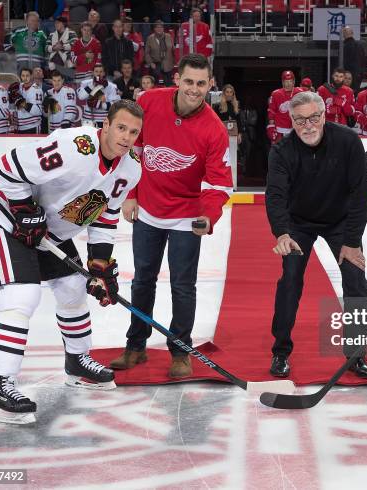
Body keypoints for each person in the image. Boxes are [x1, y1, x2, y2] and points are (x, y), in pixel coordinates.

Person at [0, 100, 144, 425]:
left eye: (133, 132)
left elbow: (104, 215)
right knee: (22, 296)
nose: (126, 137)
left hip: (49, 230)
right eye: (121, 128)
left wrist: (99, 265)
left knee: (74, 288)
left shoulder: (130, 169)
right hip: (6, 218)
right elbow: (8, 166)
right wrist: (24, 209)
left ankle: (77, 362)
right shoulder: (75, 146)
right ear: (105, 126)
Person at [109, 54, 232, 377]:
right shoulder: (149, 102)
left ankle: (181, 350)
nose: (194, 89)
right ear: (177, 79)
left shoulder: (214, 130)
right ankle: (135, 346)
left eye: (201, 83)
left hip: (185, 216)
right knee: (142, 282)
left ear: (210, 85)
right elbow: (132, 148)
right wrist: (131, 195)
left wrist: (210, 215)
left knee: (182, 286)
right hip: (148, 211)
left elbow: (220, 182)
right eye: (189, 81)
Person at [265, 91, 367, 379]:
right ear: (291, 120)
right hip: (298, 223)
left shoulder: (348, 141)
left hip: (341, 222)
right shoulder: (281, 151)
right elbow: (275, 196)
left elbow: (361, 193)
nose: (308, 125)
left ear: (325, 115)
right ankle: (280, 351)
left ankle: (356, 354)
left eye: (314, 117)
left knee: (355, 279)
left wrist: (351, 242)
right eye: (300, 120)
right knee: (290, 280)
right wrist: (282, 234)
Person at [267, 71, 304, 144]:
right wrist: (271, 126)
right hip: (280, 129)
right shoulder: (276, 94)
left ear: (294, 81)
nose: (288, 84)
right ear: (282, 82)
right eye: (286, 81)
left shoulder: (300, 92)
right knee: (280, 152)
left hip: (296, 128)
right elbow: (272, 110)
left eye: (290, 81)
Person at [9, 67, 44, 134]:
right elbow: (12, 107)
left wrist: (23, 103)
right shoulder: (17, 87)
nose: (25, 78)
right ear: (21, 77)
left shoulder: (37, 90)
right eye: (23, 76)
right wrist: (11, 99)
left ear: (31, 76)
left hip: (32, 127)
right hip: (19, 127)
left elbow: (38, 111)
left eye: (27, 75)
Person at [145, 20, 175, 87]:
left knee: (169, 86)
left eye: (161, 27)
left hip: (167, 64)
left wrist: (174, 62)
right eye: (157, 27)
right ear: (154, 29)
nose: (159, 29)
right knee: (154, 85)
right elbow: (147, 53)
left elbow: (173, 50)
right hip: (155, 64)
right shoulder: (150, 38)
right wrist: (150, 63)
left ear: (163, 28)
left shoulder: (168, 36)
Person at [341, 26, 364, 92]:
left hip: (349, 74)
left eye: (345, 32)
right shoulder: (360, 45)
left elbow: (344, 62)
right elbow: (363, 61)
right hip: (358, 74)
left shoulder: (344, 46)